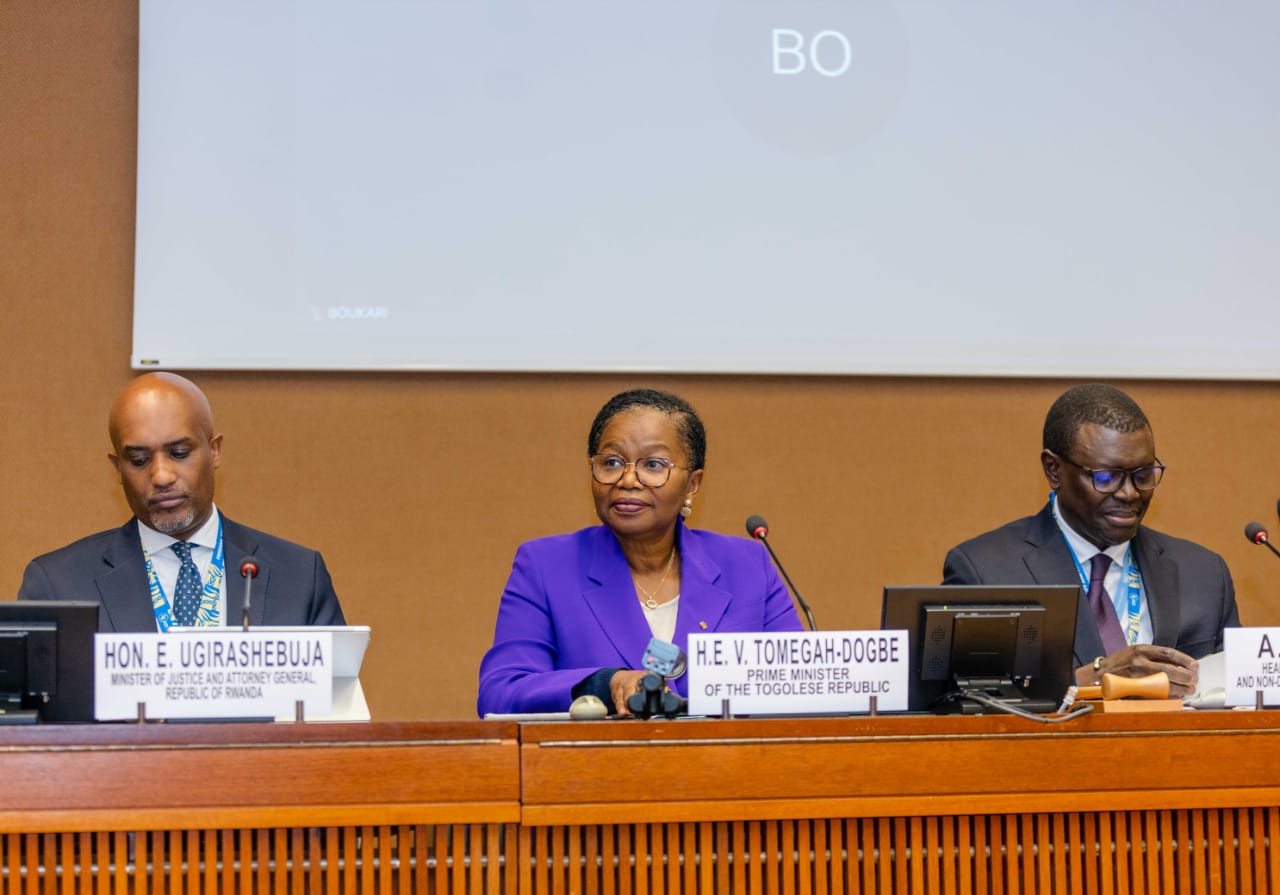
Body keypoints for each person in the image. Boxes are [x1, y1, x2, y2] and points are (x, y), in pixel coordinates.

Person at [477, 388, 804, 716]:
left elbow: (801, 686)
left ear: (692, 484)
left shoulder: (747, 566)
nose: (628, 479)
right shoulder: (546, 566)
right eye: (612, 462)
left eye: (653, 464)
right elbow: (501, 691)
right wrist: (603, 684)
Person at [942, 383, 1239, 697]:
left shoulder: (1203, 574)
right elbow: (961, 699)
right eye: (1106, 477)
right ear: (1053, 470)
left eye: (1143, 475)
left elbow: (1238, 696)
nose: (1129, 493)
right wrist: (1090, 679)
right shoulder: (986, 573)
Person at [19, 373, 346, 631]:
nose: (161, 476)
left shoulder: (300, 576)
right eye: (139, 460)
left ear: (214, 451)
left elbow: (335, 696)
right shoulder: (58, 585)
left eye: (178, 453)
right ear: (117, 467)